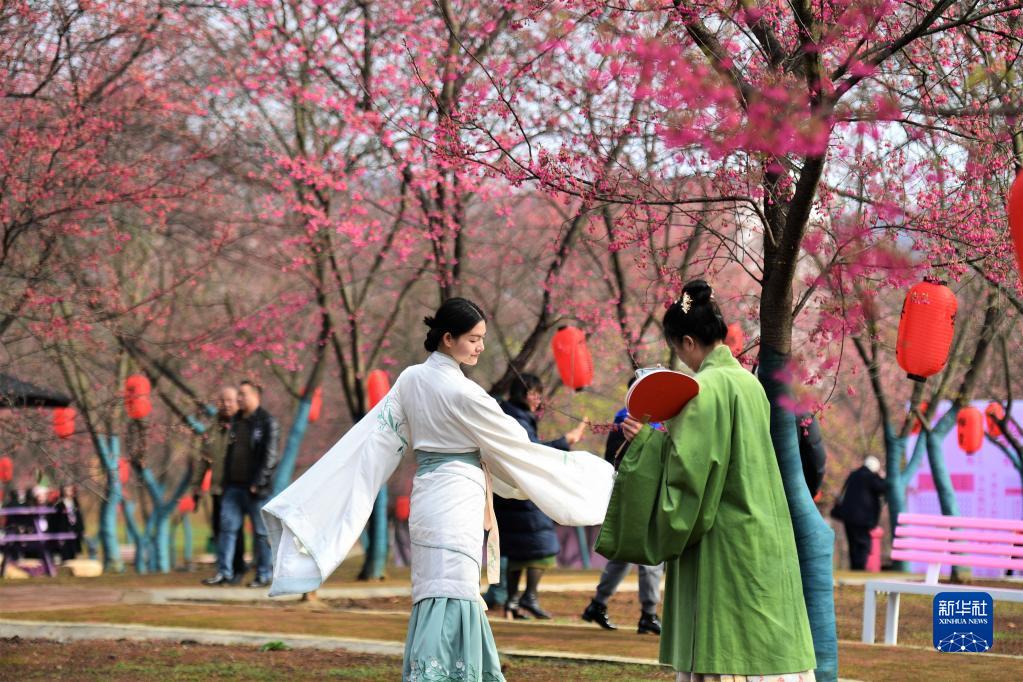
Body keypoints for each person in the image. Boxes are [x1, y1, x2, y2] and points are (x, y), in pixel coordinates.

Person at [261, 297, 614, 682]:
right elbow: (515, 444)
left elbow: (374, 443)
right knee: (455, 589)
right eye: (474, 339)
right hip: (458, 496)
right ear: (448, 338)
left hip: (428, 495)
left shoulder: (410, 379)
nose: (480, 347)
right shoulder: (465, 393)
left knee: (435, 589)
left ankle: (437, 671)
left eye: (482, 339)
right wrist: (587, 475)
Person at [596, 280, 816, 681]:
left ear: (687, 341)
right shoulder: (749, 384)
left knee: (724, 650)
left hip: (723, 540)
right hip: (764, 531)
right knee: (765, 647)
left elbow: (689, 477)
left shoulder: (703, 389)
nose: (681, 359)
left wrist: (645, 442)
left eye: (678, 349)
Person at [493, 372, 587, 620]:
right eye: (535, 394)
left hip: (511, 493)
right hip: (521, 494)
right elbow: (532, 451)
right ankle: (528, 598)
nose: (538, 400)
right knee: (543, 547)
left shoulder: (512, 414)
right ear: (524, 394)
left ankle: (513, 602)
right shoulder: (517, 418)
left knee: (518, 550)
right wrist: (565, 441)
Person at [582, 398, 664, 635]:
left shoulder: (625, 419)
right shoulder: (638, 422)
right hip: (642, 494)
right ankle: (648, 614)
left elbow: (612, 460)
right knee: (650, 552)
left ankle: (598, 604)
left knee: (623, 554)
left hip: (627, 494)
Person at [203, 380, 279, 587]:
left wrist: (258, 483)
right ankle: (224, 572)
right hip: (233, 487)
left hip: (256, 489)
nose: (239, 399)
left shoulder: (267, 422)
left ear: (255, 396)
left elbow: (271, 456)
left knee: (261, 533)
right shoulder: (235, 421)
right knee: (227, 530)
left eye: (242, 395)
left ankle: (264, 574)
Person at [196, 386, 247, 584]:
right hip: (218, 488)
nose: (226, 405)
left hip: (238, 487)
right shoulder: (212, 430)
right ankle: (225, 569)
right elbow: (203, 460)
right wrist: (196, 485)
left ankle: (238, 568)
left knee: (235, 530)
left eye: (230, 400)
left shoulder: (244, 426)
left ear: (238, 402)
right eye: (222, 400)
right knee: (219, 529)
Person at [833, 456, 885, 570]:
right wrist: (881, 477)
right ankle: (859, 567)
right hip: (863, 518)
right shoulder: (871, 477)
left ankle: (854, 567)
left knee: (852, 544)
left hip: (848, 516)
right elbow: (882, 488)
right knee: (863, 544)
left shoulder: (854, 474)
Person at [51, 485, 84, 562]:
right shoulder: (59, 504)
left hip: (74, 530)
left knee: (74, 550)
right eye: (66, 489)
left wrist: (81, 529)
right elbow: (56, 519)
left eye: (70, 489)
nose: (68, 491)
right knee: (64, 551)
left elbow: (79, 517)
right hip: (63, 530)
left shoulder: (75, 503)